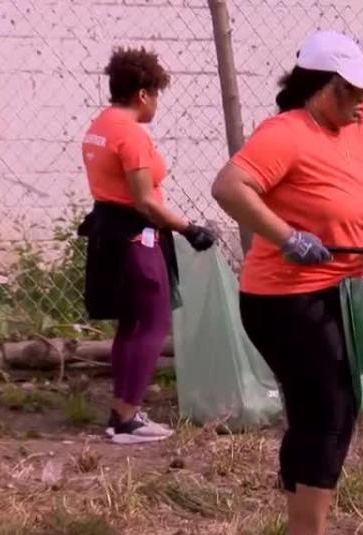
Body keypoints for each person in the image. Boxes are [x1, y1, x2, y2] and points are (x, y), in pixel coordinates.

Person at [210, 31, 363, 535]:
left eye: (361, 93)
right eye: (347, 92)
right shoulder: (285, 134)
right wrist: (286, 235)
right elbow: (229, 187)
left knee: (325, 409)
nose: (357, 103)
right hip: (285, 297)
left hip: (341, 290)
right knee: (329, 408)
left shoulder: (359, 130)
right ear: (316, 86)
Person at [79, 47, 216, 445]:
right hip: (137, 236)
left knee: (131, 322)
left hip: (110, 230)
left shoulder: (99, 125)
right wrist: (191, 228)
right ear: (143, 94)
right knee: (153, 323)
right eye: (156, 94)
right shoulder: (132, 136)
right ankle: (127, 418)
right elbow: (145, 201)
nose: (156, 103)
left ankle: (121, 411)